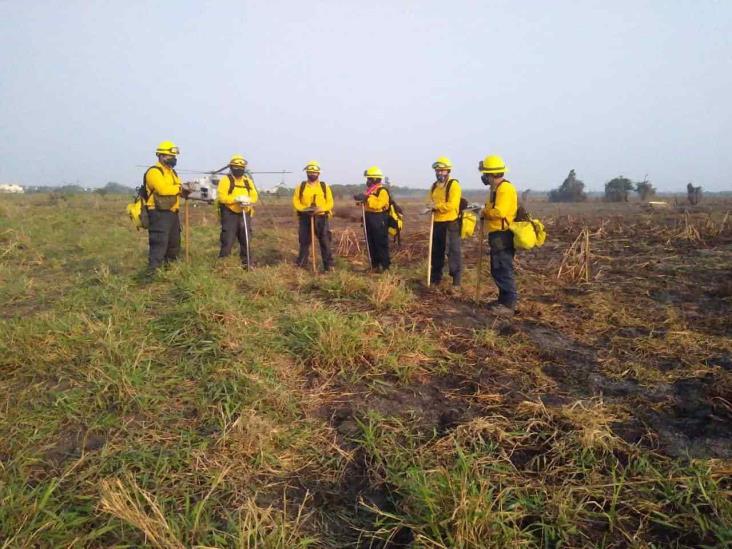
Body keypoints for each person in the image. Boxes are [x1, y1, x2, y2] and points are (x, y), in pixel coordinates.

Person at [479, 154, 518, 315]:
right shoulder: (495, 189)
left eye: (486, 174)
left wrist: (483, 211)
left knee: (503, 268)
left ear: (493, 174)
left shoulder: (505, 189)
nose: (484, 177)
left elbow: (499, 212)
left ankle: (508, 304)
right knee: (497, 268)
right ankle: (502, 301)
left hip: (503, 234)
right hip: (496, 233)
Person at [144, 141, 188, 272]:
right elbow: (162, 190)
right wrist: (180, 188)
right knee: (159, 243)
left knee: (174, 244)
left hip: (172, 212)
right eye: (169, 156)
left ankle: (169, 271)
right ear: (160, 156)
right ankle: (152, 273)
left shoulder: (173, 173)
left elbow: (177, 190)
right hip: (158, 213)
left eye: (174, 156)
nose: (173, 159)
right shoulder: (154, 172)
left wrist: (186, 190)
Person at [216, 154, 258, 267]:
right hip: (230, 214)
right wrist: (235, 200)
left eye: (241, 168)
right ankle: (223, 265)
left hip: (245, 212)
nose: (238, 170)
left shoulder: (247, 181)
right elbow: (221, 197)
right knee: (228, 240)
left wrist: (248, 200)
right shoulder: (226, 180)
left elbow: (254, 195)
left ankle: (247, 264)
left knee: (246, 239)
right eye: (236, 167)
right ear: (231, 167)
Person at [292, 160, 335, 271]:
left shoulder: (324, 186)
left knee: (325, 241)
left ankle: (328, 266)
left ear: (318, 174)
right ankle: (302, 264)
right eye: (310, 172)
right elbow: (296, 201)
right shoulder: (301, 186)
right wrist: (303, 209)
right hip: (305, 217)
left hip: (321, 217)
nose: (312, 174)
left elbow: (330, 202)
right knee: (304, 241)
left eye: (314, 172)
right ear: (307, 173)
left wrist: (321, 209)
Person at [428, 156, 462, 289]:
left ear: (448, 171)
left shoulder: (453, 185)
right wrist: (429, 207)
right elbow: (429, 202)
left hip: (450, 223)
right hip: (436, 223)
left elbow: (453, 205)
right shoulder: (433, 186)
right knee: (436, 252)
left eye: (442, 170)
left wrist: (436, 207)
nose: (439, 173)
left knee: (453, 252)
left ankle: (456, 282)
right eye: (437, 170)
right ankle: (435, 279)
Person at [354, 166, 390, 272]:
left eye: (369, 179)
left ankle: (385, 267)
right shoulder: (370, 190)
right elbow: (367, 203)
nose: (367, 181)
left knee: (380, 243)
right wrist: (360, 199)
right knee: (371, 242)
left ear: (375, 179)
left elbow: (378, 205)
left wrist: (367, 198)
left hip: (379, 219)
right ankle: (374, 266)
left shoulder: (382, 191)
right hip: (369, 217)